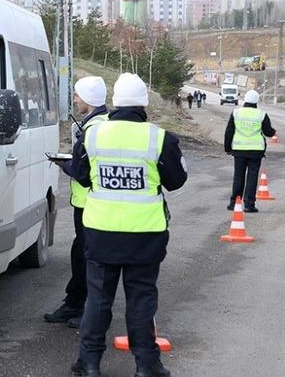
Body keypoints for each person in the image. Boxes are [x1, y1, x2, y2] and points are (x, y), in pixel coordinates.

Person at [68, 73, 188, 377]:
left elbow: (81, 175)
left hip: (100, 233)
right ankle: (146, 365)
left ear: (115, 103)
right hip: (144, 236)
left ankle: (90, 364)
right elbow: (176, 181)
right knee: (141, 300)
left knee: (98, 300)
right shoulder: (159, 138)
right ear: (144, 104)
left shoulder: (92, 135)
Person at [44, 76, 109, 329]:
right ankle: (75, 303)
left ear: (89, 99)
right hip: (88, 202)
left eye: (78, 95)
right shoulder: (100, 123)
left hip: (92, 203)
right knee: (79, 254)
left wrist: (65, 164)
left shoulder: (95, 128)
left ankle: (88, 311)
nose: (74, 99)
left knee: (89, 258)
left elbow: (84, 171)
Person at [223, 89, 276, 212]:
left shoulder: (236, 113)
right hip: (255, 151)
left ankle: (234, 203)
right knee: (252, 177)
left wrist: (227, 148)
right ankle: (249, 204)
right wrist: (273, 132)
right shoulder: (261, 114)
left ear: (245, 99)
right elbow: (268, 132)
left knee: (238, 176)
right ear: (257, 100)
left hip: (239, 150)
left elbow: (229, 132)